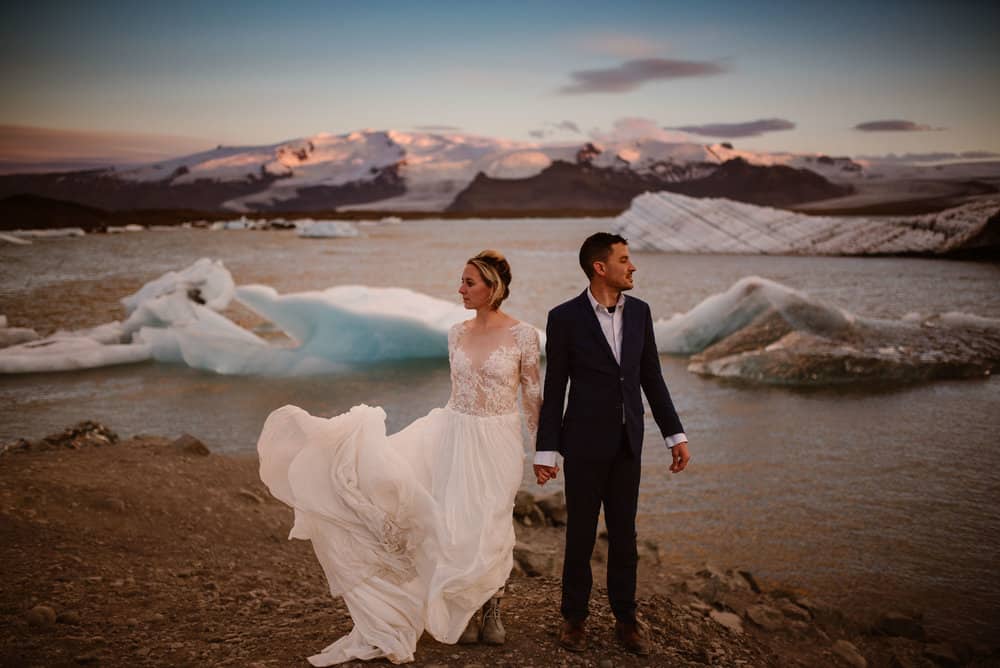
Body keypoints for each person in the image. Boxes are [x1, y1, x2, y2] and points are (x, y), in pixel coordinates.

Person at [257, 250, 541, 665]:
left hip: (498, 438)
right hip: (453, 431)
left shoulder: (524, 335)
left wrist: (546, 450)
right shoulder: (455, 333)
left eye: (469, 283)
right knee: (449, 520)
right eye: (460, 281)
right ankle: (458, 605)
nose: (460, 289)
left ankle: (491, 607)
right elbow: (457, 390)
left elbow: (533, 397)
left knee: (493, 518)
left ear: (492, 288)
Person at [533, 232, 690, 656]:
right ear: (600, 267)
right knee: (580, 538)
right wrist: (547, 451)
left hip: (627, 444)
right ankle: (575, 619)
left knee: (625, 537)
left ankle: (626, 620)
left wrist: (674, 435)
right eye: (624, 259)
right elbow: (556, 386)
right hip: (582, 444)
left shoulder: (640, 313)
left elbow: (651, 378)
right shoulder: (564, 317)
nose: (632, 266)